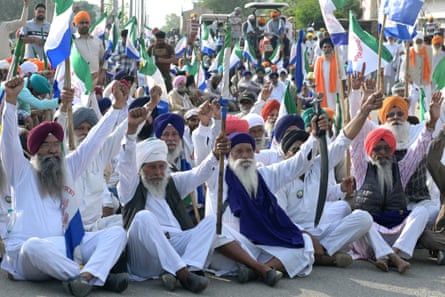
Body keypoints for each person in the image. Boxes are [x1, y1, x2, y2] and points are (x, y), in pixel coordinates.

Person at [118, 100, 282, 290]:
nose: (157, 172)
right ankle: (184, 274)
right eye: (151, 168)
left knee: (212, 220)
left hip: (176, 246)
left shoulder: (171, 182)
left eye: (161, 167)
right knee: (144, 218)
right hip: (145, 257)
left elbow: (199, 174)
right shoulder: (130, 187)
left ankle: (190, 267)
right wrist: (130, 133)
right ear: (140, 169)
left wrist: (214, 153)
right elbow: (125, 164)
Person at [1, 77, 128, 296]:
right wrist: (10, 102)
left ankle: (85, 278)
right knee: (33, 246)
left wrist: (116, 109)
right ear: (34, 151)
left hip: (70, 246)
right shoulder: (21, 171)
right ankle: (96, 276)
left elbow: (94, 141)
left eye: (55, 146)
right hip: (31, 256)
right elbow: (9, 141)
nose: (52, 151)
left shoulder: (69, 166)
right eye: (45, 146)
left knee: (116, 233)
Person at [276, 87, 386, 267]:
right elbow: (281, 220)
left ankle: (321, 253)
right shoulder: (280, 177)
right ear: (286, 155)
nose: (301, 155)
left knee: (363, 218)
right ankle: (322, 255)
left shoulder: (318, 165)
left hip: (323, 232)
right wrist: (307, 236)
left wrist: (364, 110)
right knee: (286, 239)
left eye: (305, 150)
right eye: (296, 151)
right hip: (297, 233)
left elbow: (344, 138)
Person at [350, 83, 443, 271]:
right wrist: (364, 106)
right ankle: (394, 256)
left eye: (387, 148)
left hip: (395, 230)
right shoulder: (361, 169)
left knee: (421, 212)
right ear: (370, 151)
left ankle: (392, 252)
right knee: (360, 217)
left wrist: (432, 122)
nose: (383, 152)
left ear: (392, 150)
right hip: (371, 234)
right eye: (377, 148)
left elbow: (420, 146)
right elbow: (357, 140)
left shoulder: (401, 168)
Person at [314, 37, 345, 110]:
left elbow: (343, 77)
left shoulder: (338, 59)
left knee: (335, 110)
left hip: (335, 91)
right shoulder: (318, 60)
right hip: (322, 91)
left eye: (329, 47)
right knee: (323, 111)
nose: (327, 49)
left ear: (332, 48)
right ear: (322, 49)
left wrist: (343, 91)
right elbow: (315, 77)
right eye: (325, 47)